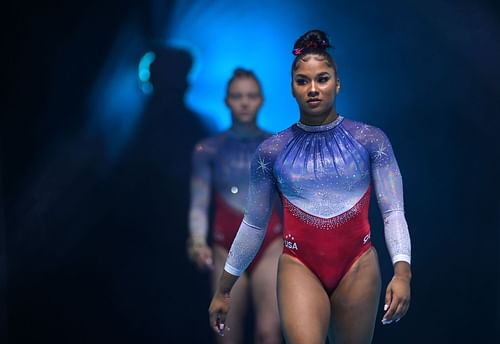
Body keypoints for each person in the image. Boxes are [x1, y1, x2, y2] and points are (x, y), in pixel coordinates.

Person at [208, 29, 412, 344]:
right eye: (303, 81)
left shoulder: (371, 140)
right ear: (292, 88)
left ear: (338, 83)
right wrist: (224, 288)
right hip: (299, 265)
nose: (313, 89)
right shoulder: (271, 152)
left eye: (322, 79)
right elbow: (254, 224)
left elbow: (393, 211)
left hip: (357, 264)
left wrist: (403, 273)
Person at [187, 68, 283, 343]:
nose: (244, 102)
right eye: (237, 96)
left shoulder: (277, 146)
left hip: (270, 244)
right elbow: (199, 201)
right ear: (227, 101)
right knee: (227, 334)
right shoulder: (208, 149)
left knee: (269, 332)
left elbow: (294, 199)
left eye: (251, 96)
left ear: (261, 100)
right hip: (224, 246)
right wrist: (196, 239)